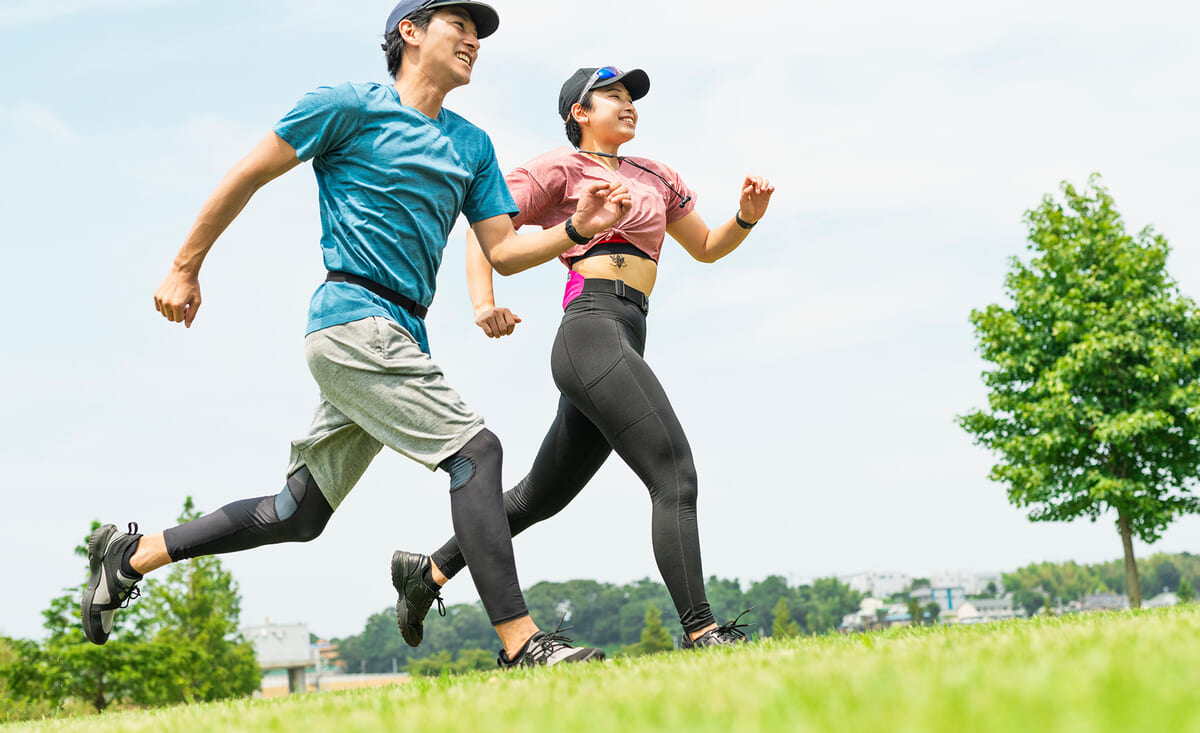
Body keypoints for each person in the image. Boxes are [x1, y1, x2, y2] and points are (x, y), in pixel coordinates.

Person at [81, 3, 635, 669]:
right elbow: (248, 173)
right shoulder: (346, 105)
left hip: (401, 332)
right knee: (476, 451)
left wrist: (577, 228)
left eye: (479, 33)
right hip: (351, 319)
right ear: (410, 32)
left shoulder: (473, 145)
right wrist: (183, 266)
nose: (473, 40)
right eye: (458, 25)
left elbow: (505, 251)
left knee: (298, 512)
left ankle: (131, 555)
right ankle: (522, 642)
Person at [389, 65, 774, 650]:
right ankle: (703, 632)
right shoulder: (557, 169)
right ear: (579, 113)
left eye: (632, 98)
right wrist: (483, 301)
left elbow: (707, 248)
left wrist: (745, 216)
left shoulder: (656, 174)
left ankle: (429, 573)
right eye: (612, 97)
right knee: (674, 473)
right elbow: (484, 230)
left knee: (538, 497)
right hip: (590, 331)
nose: (628, 106)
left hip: (627, 329)